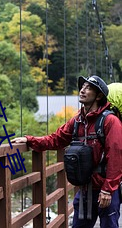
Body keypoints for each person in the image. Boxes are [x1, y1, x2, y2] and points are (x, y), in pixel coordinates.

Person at [11, 75, 122, 228]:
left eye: (88, 88)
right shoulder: (77, 121)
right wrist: (30, 140)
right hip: (85, 188)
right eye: (82, 87)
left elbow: (116, 157)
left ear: (99, 96)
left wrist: (108, 190)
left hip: (105, 189)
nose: (82, 90)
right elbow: (56, 139)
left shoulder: (110, 121)